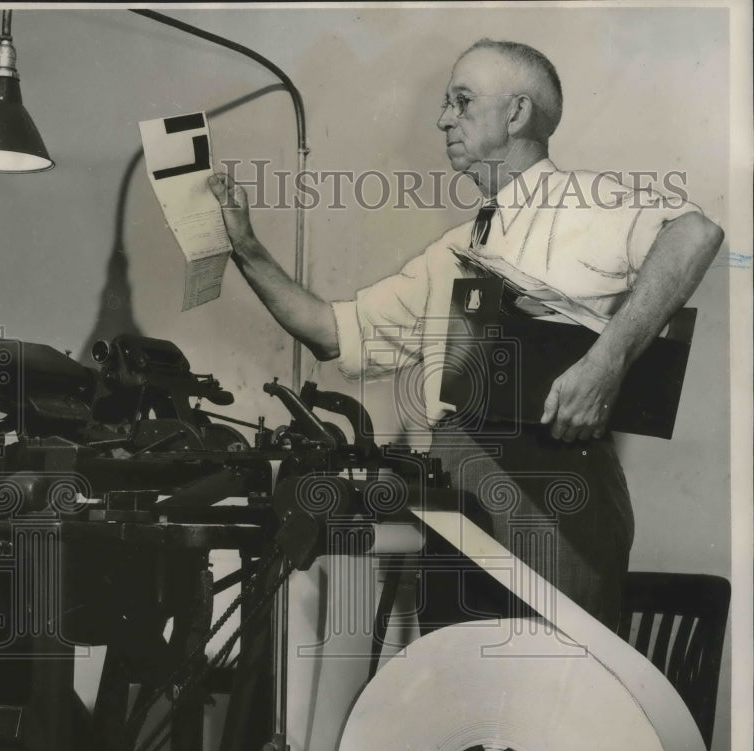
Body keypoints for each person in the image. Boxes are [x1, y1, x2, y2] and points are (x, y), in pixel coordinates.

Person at [207, 38, 723, 630]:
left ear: (517, 113)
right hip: (454, 492)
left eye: (462, 100)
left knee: (552, 692)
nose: (442, 118)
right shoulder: (451, 253)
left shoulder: (588, 205)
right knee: (463, 696)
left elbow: (695, 234)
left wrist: (605, 364)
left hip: (555, 491)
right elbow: (332, 331)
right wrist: (245, 249)